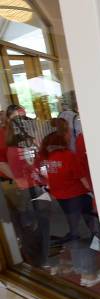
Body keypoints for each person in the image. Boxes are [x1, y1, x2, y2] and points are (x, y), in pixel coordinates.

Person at [38, 123, 100, 287]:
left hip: (61, 201)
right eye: (69, 132)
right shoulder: (68, 156)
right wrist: (92, 192)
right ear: (63, 136)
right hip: (77, 199)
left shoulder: (49, 157)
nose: (71, 135)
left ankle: (81, 268)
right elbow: (82, 179)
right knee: (86, 235)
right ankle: (89, 275)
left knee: (75, 236)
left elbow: (48, 178)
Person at [4, 104, 52, 269]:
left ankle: (39, 259)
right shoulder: (17, 145)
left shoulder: (21, 142)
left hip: (30, 185)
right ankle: (40, 260)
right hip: (29, 186)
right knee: (36, 223)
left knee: (35, 223)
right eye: (20, 118)